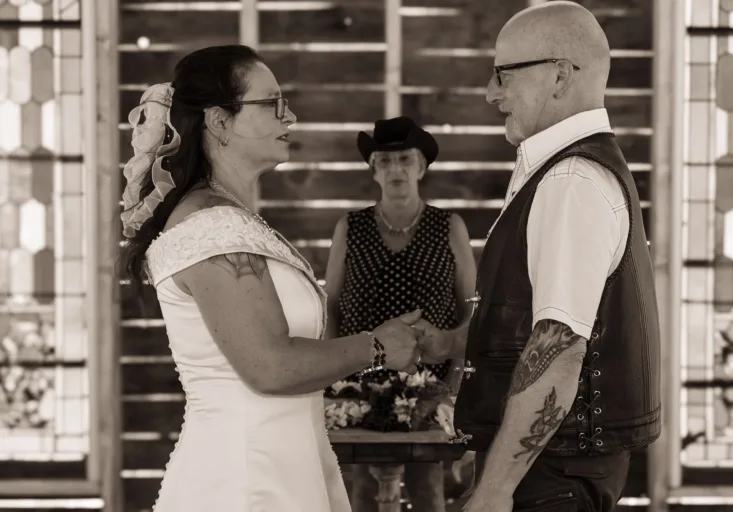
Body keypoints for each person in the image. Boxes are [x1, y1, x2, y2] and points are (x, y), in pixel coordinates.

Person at [118, 45, 425, 512]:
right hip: (245, 480)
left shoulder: (234, 220)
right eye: (272, 104)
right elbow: (270, 366)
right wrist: (377, 347)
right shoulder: (211, 227)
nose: (291, 117)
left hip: (284, 465)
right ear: (220, 121)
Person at [414, 2, 661, 511]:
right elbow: (528, 325)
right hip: (550, 469)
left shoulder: (571, 181)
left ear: (560, 75)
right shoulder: (563, 171)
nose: (491, 92)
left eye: (503, 74)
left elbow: (559, 353)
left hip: (552, 477)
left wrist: (494, 490)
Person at [323, 117, 477, 511]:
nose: (396, 169)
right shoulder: (350, 227)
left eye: (405, 159)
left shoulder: (449, 226)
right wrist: (333, 379)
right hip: (361, 383)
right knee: (364, 491)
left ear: (421, 167)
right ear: (373, 170)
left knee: (427, 490)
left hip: (430, 386)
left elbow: (469, 309)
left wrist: (455, 381)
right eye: (385, 161)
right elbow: (332, 305)